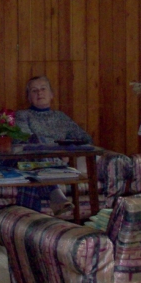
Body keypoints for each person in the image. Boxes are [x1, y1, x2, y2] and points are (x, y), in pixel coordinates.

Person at [14, 75, 93, 217]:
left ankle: (28, 220)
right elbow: (24, 139)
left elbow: (86, 139)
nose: (39, 93)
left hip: (56, 162)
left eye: (43, 89)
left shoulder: (61, 117)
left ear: (51, 94)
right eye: (34, 90)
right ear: (29, 97)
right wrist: (58, 151)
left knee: (33, 168)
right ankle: (56, 196)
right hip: (30, 160)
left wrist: (68, 151)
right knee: (34, 140)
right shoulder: (22, 115)